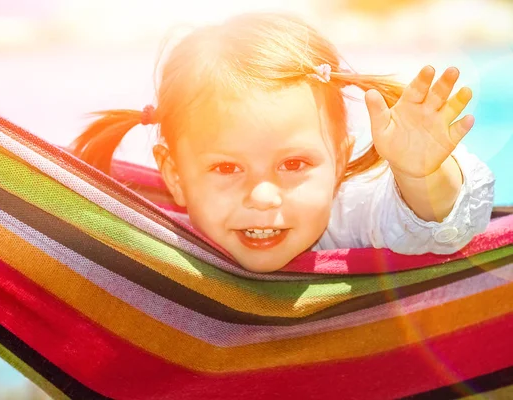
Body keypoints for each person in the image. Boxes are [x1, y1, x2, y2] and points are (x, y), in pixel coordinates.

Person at [68, 12, 495, 273]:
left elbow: (436, 232)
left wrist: (419, 175)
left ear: (340, 161)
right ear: (175, 175)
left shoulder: (345, 216)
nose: (264, 197)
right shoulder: (151, 239)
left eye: (293, 165)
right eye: (226, 168)